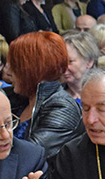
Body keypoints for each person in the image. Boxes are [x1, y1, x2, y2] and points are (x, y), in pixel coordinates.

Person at [8, 31, 84, 165]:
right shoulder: (17, 99)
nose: (8, 72)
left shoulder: (62, 107)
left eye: (14, 66)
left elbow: (30, 154)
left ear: (30, 69)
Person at [62, 31, 100, 102]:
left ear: (89, 62)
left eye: (70, 62)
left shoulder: (103, 93)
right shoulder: (54, 97)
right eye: (62, 61)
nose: (64, 67)